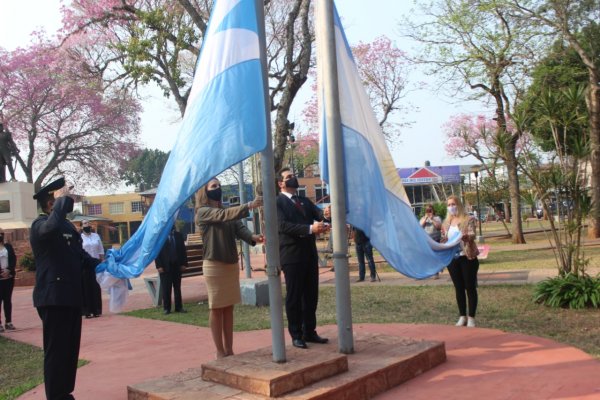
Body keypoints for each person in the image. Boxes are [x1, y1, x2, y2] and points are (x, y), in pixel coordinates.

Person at [30, 177, 100, 400]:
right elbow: (49, 228)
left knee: (70, 350)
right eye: (63, 198)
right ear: (51, 203)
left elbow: (81, 257)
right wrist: (59, 203)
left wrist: (106, 265)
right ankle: (55, 395)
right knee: (56, 350)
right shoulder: (40, 225)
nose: (68, 201)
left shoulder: (67, 226)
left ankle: (64, 392)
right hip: (53, 297)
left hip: (71, 295)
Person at [195, 178, 263, 359]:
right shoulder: (203, 212)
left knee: (228, 308)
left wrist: (254, 237)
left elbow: (240, 229)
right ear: (205, 192)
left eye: (219, 186)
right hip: (214, 265)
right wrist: (248, 205)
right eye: (214, 186)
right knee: (216, 308)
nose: (218, 189)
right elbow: (223, 216)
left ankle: (230, 349)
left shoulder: (227, 211)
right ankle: (219, 351)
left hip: (230, 264)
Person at [276, 168, 330, 349]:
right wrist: (309, 229)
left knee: (311, 295)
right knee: (294, 297)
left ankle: (310, 331)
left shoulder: (304, 200)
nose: (293, 178)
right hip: (291, 256)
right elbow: (283, 226)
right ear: (280, 183)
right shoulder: (277, 202)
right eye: (288, 177)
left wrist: (326, 215)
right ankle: (296, 334)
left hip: (309, 254)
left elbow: (319, 214)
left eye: (293, 175)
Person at [442, 195, 480, 328]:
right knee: (458, 288)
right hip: (453, 259)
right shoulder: (446, 223)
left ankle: (471, 318)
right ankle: (462, 316)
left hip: (467, 257)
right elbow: (444, 239)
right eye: (449, 205)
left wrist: (465, 237)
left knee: (469, 287)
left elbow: (472, 235)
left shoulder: (468, 219)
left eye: (453, 204)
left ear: (458, 205)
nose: (451, 207)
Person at [155, 224, 188, 315]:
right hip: (165, 267)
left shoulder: (178, 235)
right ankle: (167, 308)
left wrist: (184, 263)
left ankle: (179, 307)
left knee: (177, 287)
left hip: (177, 266)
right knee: (166, 288)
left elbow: (183, 250)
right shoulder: (160, 237)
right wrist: (159, 266)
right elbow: (156, 252)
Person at [80, 220, 103, 318]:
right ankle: (87, 311)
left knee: (96, 287)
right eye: (85, 223)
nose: (87, 225)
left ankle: (97, 310)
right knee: (86, 288)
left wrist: (102, 263)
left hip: (96, 264)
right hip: (84, 265)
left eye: (88, 223)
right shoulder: (80, 237)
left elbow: (101, 250)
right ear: (81, 226)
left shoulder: (96, 236)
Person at [0, 228, 17, 332]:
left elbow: (13, 259)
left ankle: (8, 322)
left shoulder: (8, 247)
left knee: (7, 300)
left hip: (9, 277)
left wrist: (9, 270)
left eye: (1, 234)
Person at [420, 204, 443, 279]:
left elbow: (439, 227)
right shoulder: (423, 218)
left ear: (433, 211)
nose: (429, 212)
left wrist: (432, 219)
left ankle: (436, 273)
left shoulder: (437, 218)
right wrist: (425, 219)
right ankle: (426, 272)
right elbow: (420, 227)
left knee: (435, 256)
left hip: (435, 240)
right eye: (427, 210)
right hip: (426, 240)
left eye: (430, 210)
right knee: (426, 256)